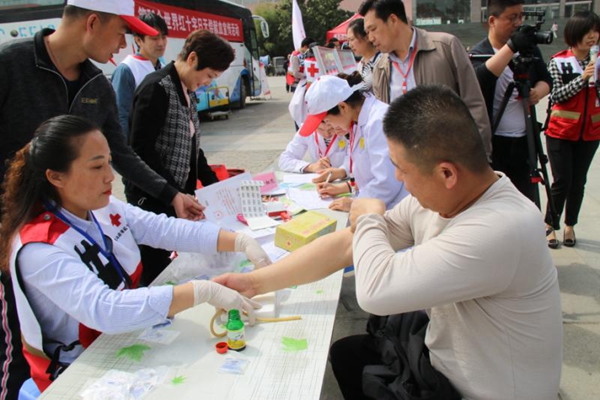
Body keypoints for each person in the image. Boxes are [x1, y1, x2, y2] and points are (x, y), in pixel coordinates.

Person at [214, 85, 563, 399]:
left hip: (481, 390)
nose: (396, 178)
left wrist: (367, 214)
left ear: (446, 173)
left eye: (402, 168)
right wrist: (254, 282)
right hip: (446, 360)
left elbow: (376, 291)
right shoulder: (446, 197)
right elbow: (347, 245)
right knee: (348, 356)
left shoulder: (500, 227)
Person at [0, 1, 201, 396]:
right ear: (92, 22)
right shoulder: (12, 67)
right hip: (16, 230)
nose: (125, 42)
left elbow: (120, 153)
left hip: (75, 228)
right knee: (15, 346)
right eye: (120, 31)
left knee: (80, 324)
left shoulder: (97, 83)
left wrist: (170, 194)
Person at [0, 115, 270, 393]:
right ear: (56, 176)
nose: (110, 176)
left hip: (124, 338)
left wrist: (238, 240)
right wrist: (200, 292)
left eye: (108, 161)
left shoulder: (99, 206)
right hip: (79, 372)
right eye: (96, 166)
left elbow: (162, 228)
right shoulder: (39, 248)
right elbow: (104, 309)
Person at [127, 29, 235, 285]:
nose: (208, 82)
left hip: (176, 197)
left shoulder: (187, 91)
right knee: (158, 269)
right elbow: (140, 150)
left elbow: (192, 148)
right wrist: (171, 192)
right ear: (193, 59)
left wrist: (216, 186)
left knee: (179, 265)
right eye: (209, 75)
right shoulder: (157, 88)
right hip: (153, 198)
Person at [359, 0, 492, 160]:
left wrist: (480, 159)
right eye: (367, 33)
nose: (370, 38)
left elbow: (474, 104)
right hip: (410, 168)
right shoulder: (381, 67)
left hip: (452, 160)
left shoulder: (445, 47)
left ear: (393, 20)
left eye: (373, 29)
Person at [469, 0, 552, 203]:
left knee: (527, 202)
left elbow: (546, 79)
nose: (518, 23)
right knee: (496, 203)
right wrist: (511, 47)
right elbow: (480, 80)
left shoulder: (529, 51)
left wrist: (537, 93)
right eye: (511, 18)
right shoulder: (479, 53)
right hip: (494, 143)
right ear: (492, 21)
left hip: (525, 141)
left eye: (520, 17)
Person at [299, 73, 408, 212]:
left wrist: (355, 204)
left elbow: (386, 182)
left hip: (394, 208)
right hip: (379, 205)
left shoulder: (377, 122)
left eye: (327, 120)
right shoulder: (357, 121)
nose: (330, 126)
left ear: (343, 107)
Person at [544, 11, 600, 248]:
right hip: (560, 132)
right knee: (562, 181)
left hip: (590, 133)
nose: (593, 37)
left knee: (579, 182)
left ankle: (570, 225)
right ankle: (549, 225)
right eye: (588, 32)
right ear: (575, 33)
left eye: (596, 32)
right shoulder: (559, 61)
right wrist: (582, 78)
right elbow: (556, 95)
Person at [111, 12, 168, 139]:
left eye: (163, 37)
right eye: (154, 38)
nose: (161, 43)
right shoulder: (127, 69)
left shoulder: (164, 69)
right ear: (138, 40)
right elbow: (121, 115)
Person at [278, 122, 348, 173]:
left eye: (331, 129)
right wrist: (311, 167)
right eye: (320, 129)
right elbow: (284, 160)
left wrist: (341, 172)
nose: (327, 134)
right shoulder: (307, 129)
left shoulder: (346, 129)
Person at [346, 18, 381, 92]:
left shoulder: (382, 61)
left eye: (352, 39)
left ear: (367, 37)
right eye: (348, 41)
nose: (350, 45)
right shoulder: (360, 64)